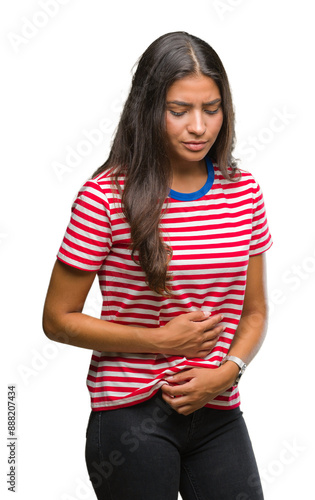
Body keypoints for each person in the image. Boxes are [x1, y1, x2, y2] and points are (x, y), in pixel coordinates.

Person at [43, 31, 272, 500]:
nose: (199, 127)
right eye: (179, 110)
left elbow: (255, 312)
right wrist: (160, 340)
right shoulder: (104, 197)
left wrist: (228, 371)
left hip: (217, 407)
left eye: (211, 109)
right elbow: (56, 320)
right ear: (149, 109)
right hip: (131, 416)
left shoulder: (244, 190)